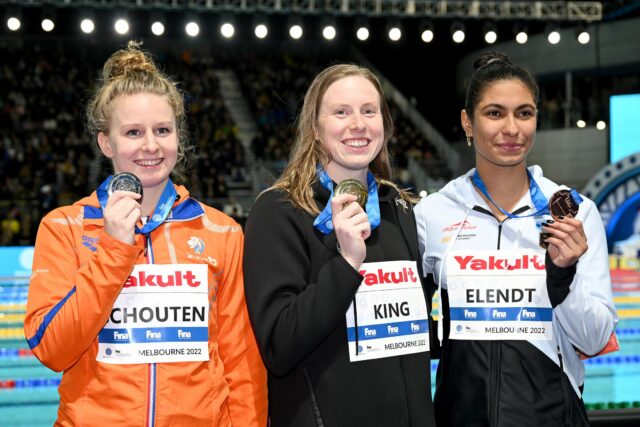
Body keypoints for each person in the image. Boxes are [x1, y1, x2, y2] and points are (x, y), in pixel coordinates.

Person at [24, 41, 267, 426]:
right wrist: (114, 249)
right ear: (107, 142)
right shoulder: (65, 227)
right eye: (133, 132)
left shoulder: (222, 231)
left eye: (163, 130)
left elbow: (241, 359)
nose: (151, 146)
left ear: (178, 138)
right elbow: (52, 349)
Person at [414, 51, 618, 426]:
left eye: (524, 113)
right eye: (494, 113)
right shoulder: (432, 215)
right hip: (459, 417)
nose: (512, 128)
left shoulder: (574, 212)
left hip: (551, 416)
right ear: (467, 122)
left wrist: (563, 275)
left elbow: (593, 340)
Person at [243, 64, 436, 426]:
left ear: (385, 123)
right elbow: (279, 346)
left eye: (369, 111)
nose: (358, 124)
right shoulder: (279, 212)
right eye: (341, 112)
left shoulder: (398, 208)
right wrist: (346, 263)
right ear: (315, 128)